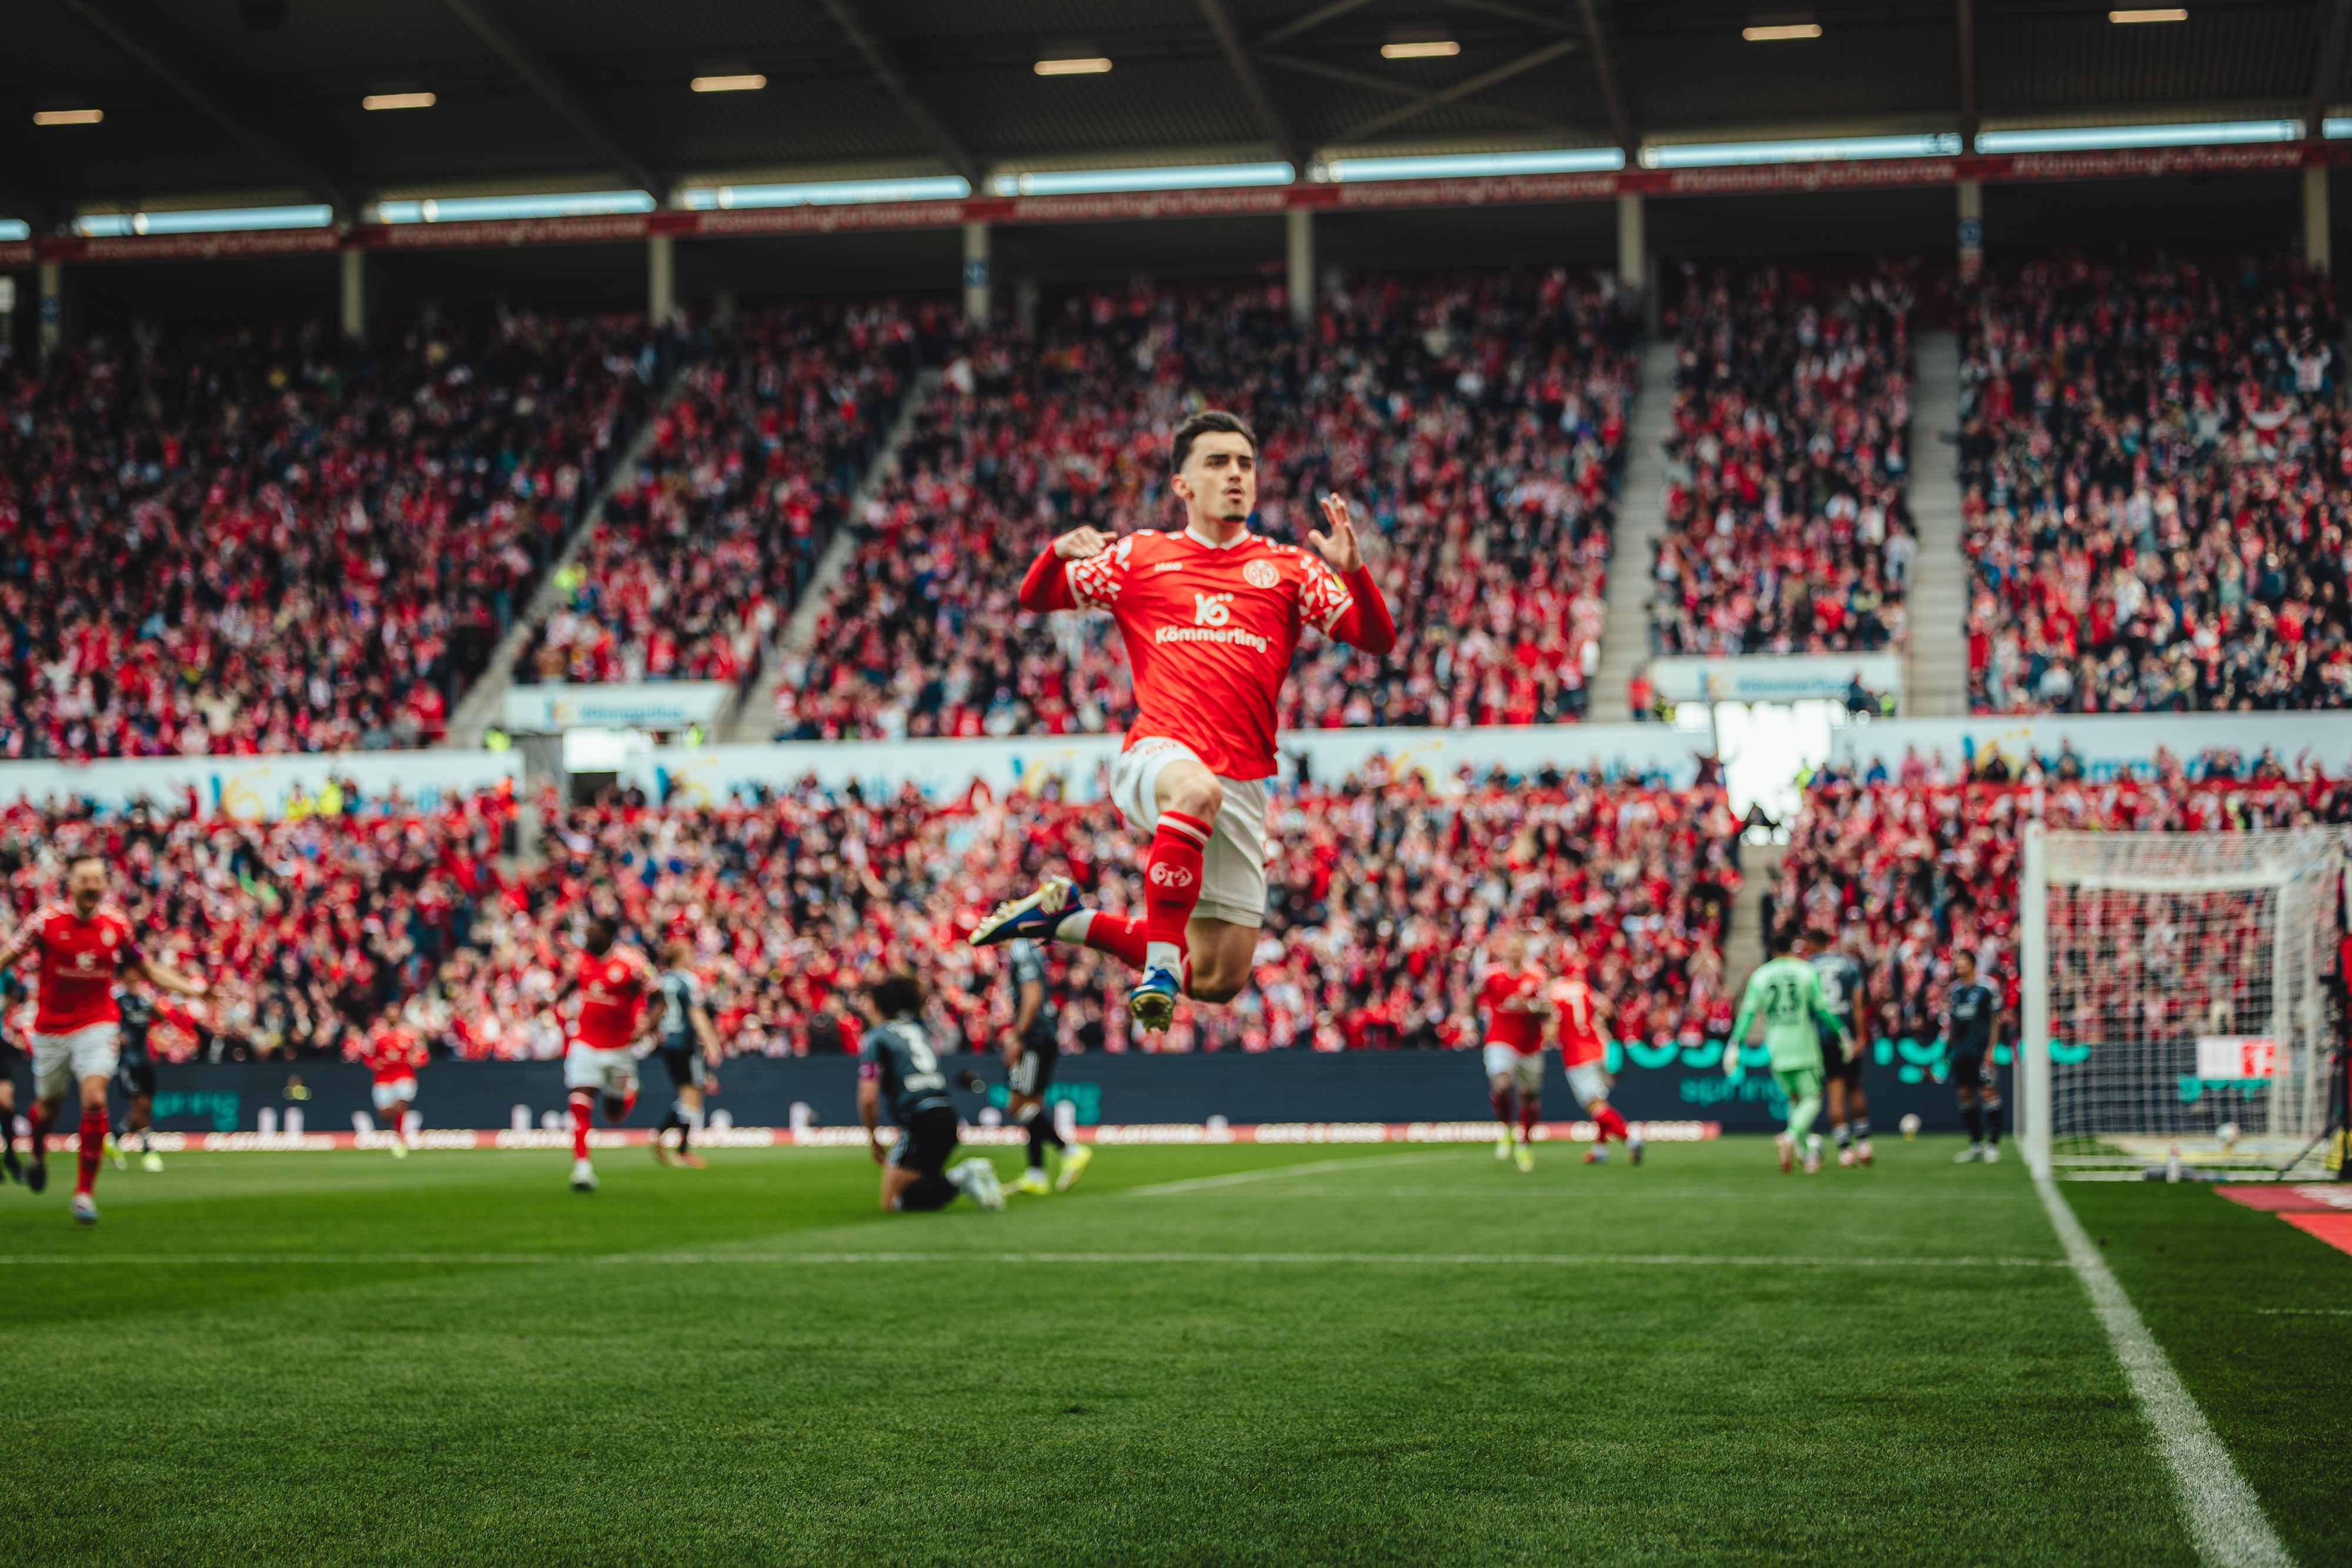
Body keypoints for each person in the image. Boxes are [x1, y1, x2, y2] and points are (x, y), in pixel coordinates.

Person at [970, 410, 1398, 1033]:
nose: (1235, 475)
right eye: (1218, 463)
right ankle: (1160, 969)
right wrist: (1055, 551)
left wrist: (1354, 570)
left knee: (1219, 978)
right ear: (1182, 484)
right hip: (1160, 755)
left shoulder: (1291, 569)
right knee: (1195, 792)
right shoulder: (1140, 556)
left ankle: (1064, 920)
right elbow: (1037, 596)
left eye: (1245, 464)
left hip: (1243, 778)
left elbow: (1377, 640)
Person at [0, 854, 210, 1223]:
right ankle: (36, 1153)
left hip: (97, 1023)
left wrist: (195, 992)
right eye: (85, 879)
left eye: (98, 879)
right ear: (70, 883)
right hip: (51, 1029)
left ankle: (84, 1194)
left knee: (95, 1100)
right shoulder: (45, 921)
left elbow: (147, 969)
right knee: (47, 1108)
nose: (92, 886)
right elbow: (8, 956)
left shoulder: (117, 924)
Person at [858, 971, 1002, 1212]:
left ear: (878, 1005)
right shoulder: (920, 1030)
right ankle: (961, 1178)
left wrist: (873, 1137)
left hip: (919, 1119)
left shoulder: (876, 1038)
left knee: (892, 1202)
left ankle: (962, 1175)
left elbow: (868, 1097)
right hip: (947, 1115)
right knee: (921, 1184)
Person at [1725, 929, 1852, 1175]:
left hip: (1777, 1048)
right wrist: (1842, 1033)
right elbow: (1822, 1009)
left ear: (1772, 950)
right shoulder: (1806, 971)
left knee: (1794, 1099)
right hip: (1803, 1045)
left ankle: (1805, 1154)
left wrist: (1734, 1043)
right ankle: (1791, 1137)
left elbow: (1748, 1012)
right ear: (1792, 948)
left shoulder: (1761, 976)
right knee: (1813, 1098)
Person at [549, 915, 653, 1193]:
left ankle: (629, 1093)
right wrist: (553, 999)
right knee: (579, 1103)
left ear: (608, 935)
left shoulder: (633, 963)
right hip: (584, 1043)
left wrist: (648, 1027)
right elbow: (573, 982)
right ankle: (582, 1170)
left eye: (592, 933)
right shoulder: (581, 960)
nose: (587, 938)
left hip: (619, 1048)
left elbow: (659, 995)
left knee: (613, 1115)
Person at [998, 936, 1089, 1196]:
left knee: (1018, 1106)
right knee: (1033, 1106)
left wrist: (1019, 1037)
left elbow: (1033, 996)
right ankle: (1036, 1174)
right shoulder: (1026, 950)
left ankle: (1070, 1151)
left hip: (1035, 1039)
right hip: (1042, 1036)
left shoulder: (1021, 951)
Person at [1552, 951, 1641, 1166]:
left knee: (1596, 1107)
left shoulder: (1555, 990)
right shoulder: (1585, 989)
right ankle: (1600, 1150)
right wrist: (1595, 1022)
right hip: (1599, 1049)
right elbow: (1608, 1009)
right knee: (1601, 1102)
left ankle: (1630, 1138)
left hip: (1577, 1055)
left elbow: (1552, 1026)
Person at [1475, 930, 1551, 1172]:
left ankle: (1524, 1143)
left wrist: (1529, 1006)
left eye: (1519, 949)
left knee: (1529, 1097)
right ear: (1505, 951)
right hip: (1500, 1039)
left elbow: (1549, 1009)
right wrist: (1466, 1019)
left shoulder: (1537, 975)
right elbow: (1472, 995)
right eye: (1511, 949)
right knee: (1502, 1084)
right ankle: (1506, 1128)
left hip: (1530, 1045)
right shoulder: (1491, 975)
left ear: (1525, 951)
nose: (1515, 952)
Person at [651, 942, 723, 1169]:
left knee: (687, 1096)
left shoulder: (663, 980)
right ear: (681, 956)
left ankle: (677, 1147)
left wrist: (648, 1033)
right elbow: (696, 1013)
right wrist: (711, 1043)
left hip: (668, 1044)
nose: (693, 956)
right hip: (686, 1044)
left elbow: (657, 1011)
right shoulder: (688, 980)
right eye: (689, 952)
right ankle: (668, 1140)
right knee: (692, 1098)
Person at [1807, 926, 1874, 1167]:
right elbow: (1858, 1005)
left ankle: (1846, 1150)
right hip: (1848, 1033)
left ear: (1812, 943)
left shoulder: (1809, 967)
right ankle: (1864, 1144)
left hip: (1824, 1036)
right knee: (1855, 1088)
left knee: (1834, 1091)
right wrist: (1860, 1037)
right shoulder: (1850, 964)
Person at [1940, 950, 2006, 1164]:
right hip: (1961, 1052)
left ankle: (1993, 1144)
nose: (1958, 967)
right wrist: (1948, 1049)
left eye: (1961, 963)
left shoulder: (1988, 987)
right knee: (1965, 1095)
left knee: (1988, 1093)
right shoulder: (1955, 991)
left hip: (1981, 1051)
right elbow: (1954, 1024)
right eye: (1956, 964)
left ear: (1972, 964)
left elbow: (1995, 1020)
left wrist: (1991, 1049)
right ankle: (1976, 1145)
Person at [108, 985, 168, 1173]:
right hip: (128, 1061)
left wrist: (150, 1001)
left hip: (145, 1059)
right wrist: (115, 1034)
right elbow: (105, 1020)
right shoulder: (118, 1000)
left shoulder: (144, 1000)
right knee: (140, 1105)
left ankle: (114, 1138)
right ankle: (148, 1150)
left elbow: (162, 1017)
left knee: (146, 1107)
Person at [362, 1002, 427, 1160]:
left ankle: (400, 1138)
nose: (392, 1015)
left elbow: (423, 1054)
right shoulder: (375, 1034)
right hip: (383, 1078)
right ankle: (397, 1128)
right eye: (389, 1012)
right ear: (385, 1014)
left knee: (401, 1103)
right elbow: (366, 1053)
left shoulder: (410, 1032)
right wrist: (374, 1063)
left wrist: (416, 1059)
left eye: (395, 1012)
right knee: (385, 1115)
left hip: (404, 1074)